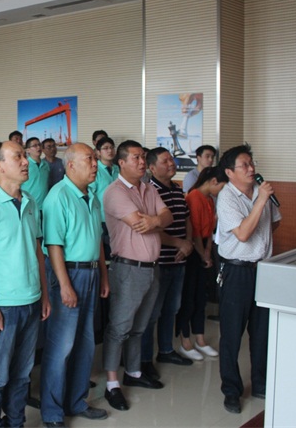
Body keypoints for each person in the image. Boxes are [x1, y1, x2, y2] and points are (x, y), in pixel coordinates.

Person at [0, 140, 51, 428]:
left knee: (22, 374)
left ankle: (16, 423)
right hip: (3, 306)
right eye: (18, 157)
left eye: (25, 156)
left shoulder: (29, 201)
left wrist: (44, 295)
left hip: (31, 300)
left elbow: (38, 253)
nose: (26, 161)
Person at [40, 143, 109, 426]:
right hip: (68, 273)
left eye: (95, 159)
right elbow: (53, 245)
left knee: (85, 342)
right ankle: (52, 412)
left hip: (90, 273)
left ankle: (77, 402)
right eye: (89, 159)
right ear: (70, 165)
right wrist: (65, 285)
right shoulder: (58, 197)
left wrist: (103, 274)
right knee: (61, 347)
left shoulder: (90, 196)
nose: (95, 164)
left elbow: (98, 240)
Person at [102, 140, 172, 412]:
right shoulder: (115, 192)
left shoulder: (148, 188)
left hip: (152, 268)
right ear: (121, 163)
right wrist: (155, 221)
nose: (143, 162)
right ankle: (112, 384)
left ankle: (133, 372)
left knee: (140, 326)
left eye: (143, 157)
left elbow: (166, 217)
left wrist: (154, 220)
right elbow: (137, 223)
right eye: (136, 158)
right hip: (128, 269)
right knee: (119, 328)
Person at [215, 145, 281, 414]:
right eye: (244, 165)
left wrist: (262, 201)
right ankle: (231, 390)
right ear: (230, 172)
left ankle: (261, 383)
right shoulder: (227, 198)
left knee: (262, 331)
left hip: (263, 269)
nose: (251, 168)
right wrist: (261, 201)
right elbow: (242, 234)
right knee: (232, 333)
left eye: (252, 163)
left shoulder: (261, 192)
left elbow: (274, 222)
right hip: (236, 271)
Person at [140, 147, 195, 379]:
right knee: (152, 312)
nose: (171, 164)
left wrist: (188, 243)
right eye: (165, 161)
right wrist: (179, 243)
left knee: (172, 308)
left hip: (179, 260)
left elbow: (187, 219)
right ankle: (144, 359)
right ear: (152, 168)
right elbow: (151, 229)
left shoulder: (177, 188)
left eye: (171, 159)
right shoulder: (149, 191)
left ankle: (166, 350)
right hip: (159, 261)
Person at [176, 166, 224, 361]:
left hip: (204, 249)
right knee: (189, 298)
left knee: (200, 298)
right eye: (221, 187)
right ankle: (185, 341)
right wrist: (203, 254)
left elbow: (210, 230)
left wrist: (208, 251)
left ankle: (200, 339)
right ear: (213, 181)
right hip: (193, 252)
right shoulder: (193, 197)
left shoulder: (209, 199)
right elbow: (194, 232)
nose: (221, 191)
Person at [90, 136, 119, 257]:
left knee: (117, 249)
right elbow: (90, 194)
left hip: (118, 217)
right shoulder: (94, 169)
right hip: (101, 218)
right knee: (103, 251)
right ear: (98, 152)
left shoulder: (118, 169)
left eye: (112, 147)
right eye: (105, 148)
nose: (110, 151)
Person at [22, 137, 50, 209]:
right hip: (29, 206)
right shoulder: (24, 165)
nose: (38, 147)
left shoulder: (45, 164)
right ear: (28, 150)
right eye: (34, 146)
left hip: (44, 205)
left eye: (39, 145)